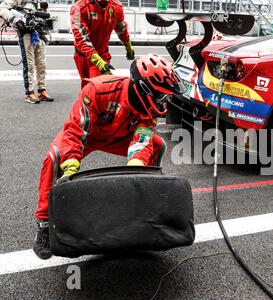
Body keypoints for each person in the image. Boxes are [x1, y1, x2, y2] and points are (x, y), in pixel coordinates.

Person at [32, 54, 185, 259]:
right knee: (54, 156)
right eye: (161, 96)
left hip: (119, 137)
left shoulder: (148, 109)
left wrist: (136, 176)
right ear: (145, 89)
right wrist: (70, 170)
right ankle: (43, 225)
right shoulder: (98, 89)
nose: (164, 102)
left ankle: (146, 209)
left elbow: (141, 141)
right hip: (88, 135)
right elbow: (75, 132)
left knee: (157, 145)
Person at [70, 0, 135, 88]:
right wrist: (99, 62)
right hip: (83, 56)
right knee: (87, 89)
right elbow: (82, 40)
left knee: (98, 87)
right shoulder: (78, 8)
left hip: (103, 54)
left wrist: (128, 46)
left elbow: (121, 29)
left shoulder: (117, 7)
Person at [0, 0, 53, 103]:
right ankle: (29, 93)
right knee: (29, 64)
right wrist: (14, 19)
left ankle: (42, 90)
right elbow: (1, 8)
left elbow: (43, 14)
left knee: (42, 64)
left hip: (39, 33)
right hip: (26, 34)